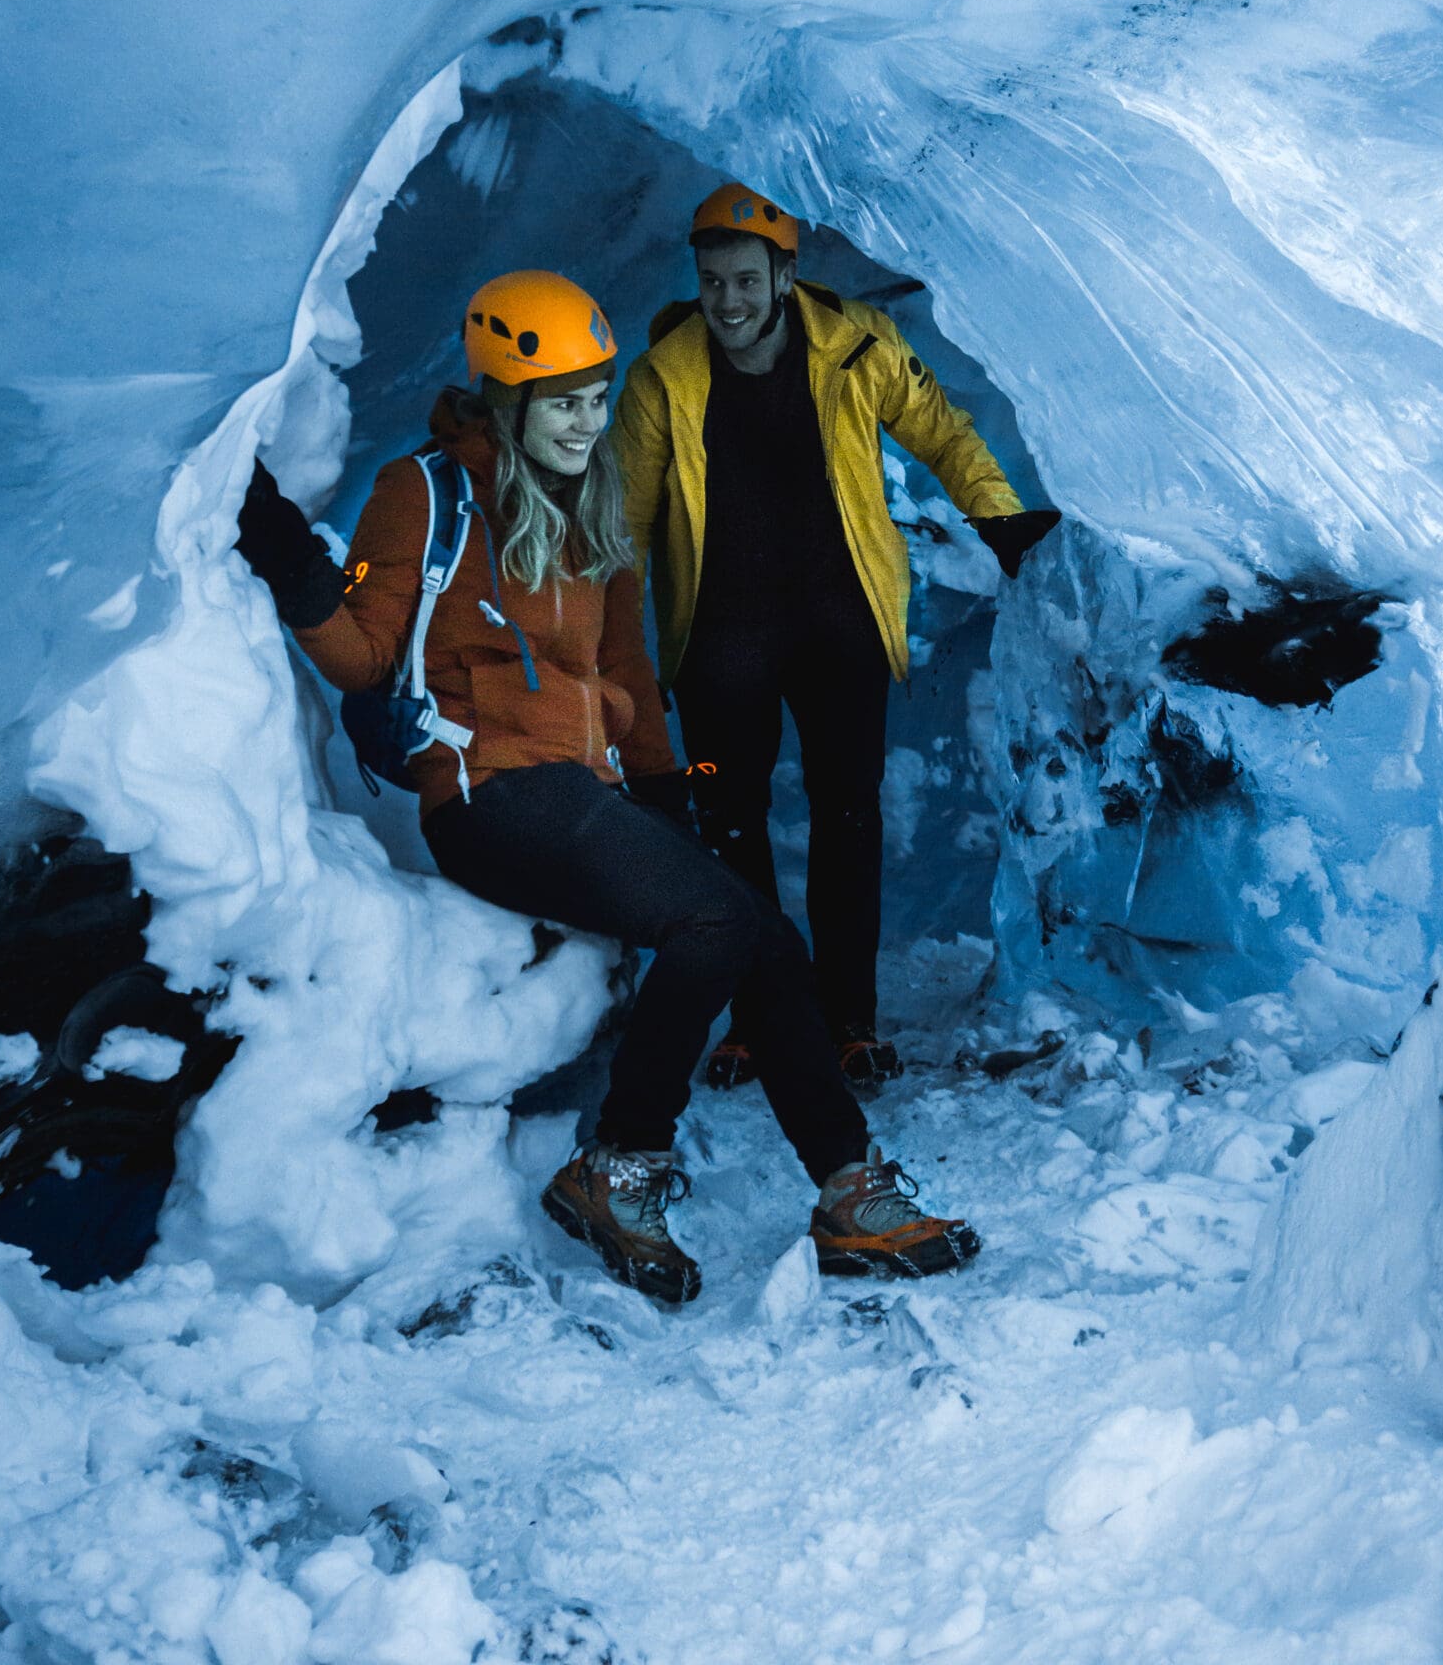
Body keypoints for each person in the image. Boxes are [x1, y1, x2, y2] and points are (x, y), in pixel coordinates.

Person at [233, 269, 980, 1303]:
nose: (592, 419)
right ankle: (617, 1165)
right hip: (486, 793)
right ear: (512, 399)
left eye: (599, 394)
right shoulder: (426, 491)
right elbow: (363, 653)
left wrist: (676, 803)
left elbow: (626, 672)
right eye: (568, 401)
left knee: (763, 933)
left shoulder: (598, 509)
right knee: (718, 922)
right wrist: (284, 551)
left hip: (585, 795)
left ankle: (850, 1188)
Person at [615, 187, 1061, 1090]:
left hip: (840, 626)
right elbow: (621, 522)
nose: (727, 300)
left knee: (847, 820)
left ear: (786, 274)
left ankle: (849, 1019)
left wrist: (999, 517)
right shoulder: (664, 376)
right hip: (720, 642)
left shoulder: (861, 345)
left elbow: (942, 431)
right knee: (730, 827)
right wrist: (617, 657)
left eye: (745, 278)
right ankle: (756, 1017)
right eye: (711, 281)